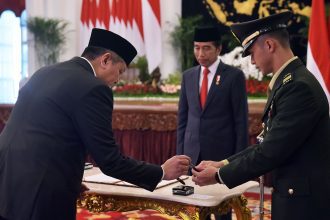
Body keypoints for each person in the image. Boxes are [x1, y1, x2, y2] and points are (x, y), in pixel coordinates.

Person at [0, 28, 191, 220]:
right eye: (120, 71)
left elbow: (47, 134)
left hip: (8, 180)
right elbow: (109, 161)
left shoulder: (45, 72)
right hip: (40, 190)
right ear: (106, 60)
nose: (117, 80)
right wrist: (161, 172)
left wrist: (70, 178)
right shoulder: (93, 87)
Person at [191, 11, 330, 220]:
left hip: (304, 204)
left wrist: (218, 176)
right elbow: (265, 143)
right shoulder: (288, 82)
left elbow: (271, 152)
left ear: (269, 46)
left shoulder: (297, 87)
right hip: (295, 194)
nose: (251, 61)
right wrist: (223, 164)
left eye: (252, 52)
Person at [176, 26, 248, 220]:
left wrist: (238, 161)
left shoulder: (233, 76)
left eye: (206, 48)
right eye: (197, 47)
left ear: (218, 49)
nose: (201, 53)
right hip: (193, 154)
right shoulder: (188, 76)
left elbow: (241, 121)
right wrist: (180, 154)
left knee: (222, 209)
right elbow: (183, 119)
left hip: (221, 156)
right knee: (196, 209)